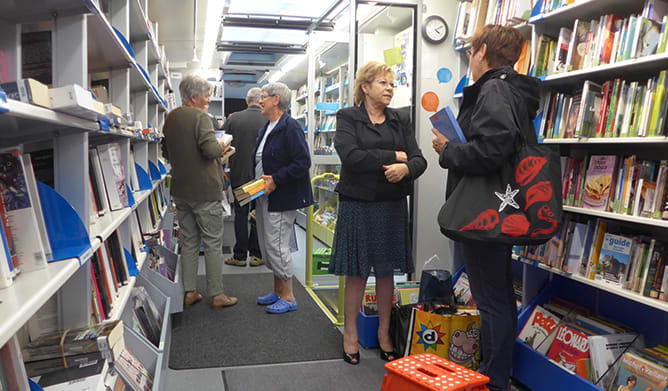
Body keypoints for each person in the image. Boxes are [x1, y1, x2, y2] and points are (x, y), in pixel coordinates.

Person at [431, 25, 540, 390]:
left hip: (486, 210)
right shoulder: (511, 90)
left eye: (470, 52)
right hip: (501, 207)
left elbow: (491, 149)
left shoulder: (493, 88)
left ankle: (493, 381)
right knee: (498, 294)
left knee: (491, 298)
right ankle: (498, 373)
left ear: (483, 52)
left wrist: (448, 150)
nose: (468, 59)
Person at [329, 61, 427, 365]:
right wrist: (392, 155)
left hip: (391, 205)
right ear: (365, 87)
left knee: (386, 273)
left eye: (392, 84)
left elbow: (419, 159)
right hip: (358, 204)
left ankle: (385, 333)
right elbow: (351, 156)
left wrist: (406, 167)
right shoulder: (348, 117)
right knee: (357, 273)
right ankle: (350, 334)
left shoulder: (400, 120)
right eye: (383, 83)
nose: (389, 88)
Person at [163, 74, 238, 309]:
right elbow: (210, 150)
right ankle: (216, 294)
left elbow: (167, 152)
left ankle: (190, 291)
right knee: (213, 242)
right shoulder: (201, 117)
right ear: (193, 98)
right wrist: (224, 144)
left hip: (181, 190)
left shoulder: (170, 117)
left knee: (189, 241)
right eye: (206, 96)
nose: (208, 100)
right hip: (205, 190)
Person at [253, 82, 313, 314]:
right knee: (268, 245)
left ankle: (288, 296)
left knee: (277, 246)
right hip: (263, 196)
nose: (261, 100)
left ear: (276, 99)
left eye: (264, 97)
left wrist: (276, 179)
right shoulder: (266, 127)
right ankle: (277, 290)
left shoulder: (291, 127)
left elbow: (302, 162)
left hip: (282, 197)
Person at [223, 87, 265, 267]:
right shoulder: (268, 118)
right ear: (261, 100)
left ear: (247, 101)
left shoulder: (233, 119)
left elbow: (224, 146)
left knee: (241, 214)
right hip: (261, 176)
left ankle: (239, 256)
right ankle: (257, 255)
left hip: (240, 174)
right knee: (258, 214)